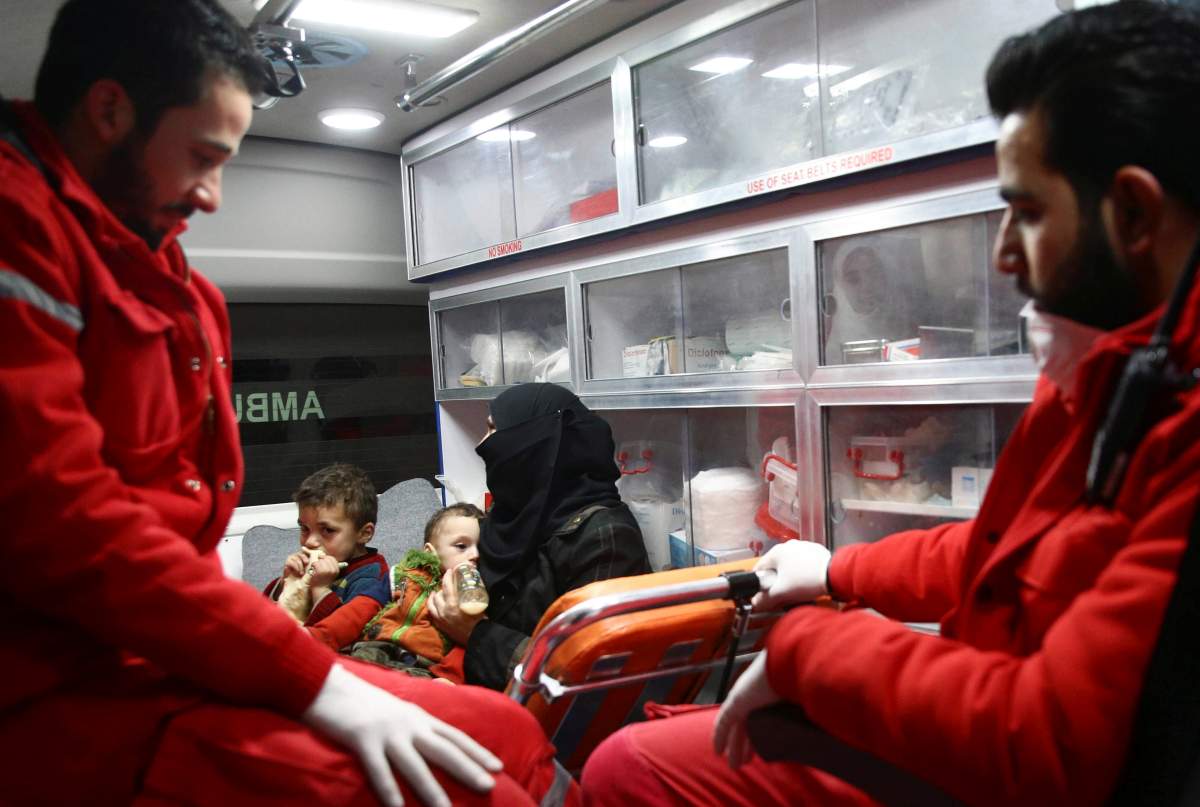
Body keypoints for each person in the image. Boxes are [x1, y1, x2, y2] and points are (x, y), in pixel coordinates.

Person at [581, 4, 1200, 806]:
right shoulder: (1109, 370)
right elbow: (998, 548)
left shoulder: (1177, 427)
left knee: (633, 770)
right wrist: (839, 568)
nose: (1004, 251)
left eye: (1031, 211)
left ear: (1136, 215)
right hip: (977, 723)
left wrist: (808, 649)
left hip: (1004, 766)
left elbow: (1050, 742)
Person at [0, 2, 576, 805]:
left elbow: (178, 529)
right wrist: (314, 681)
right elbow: (67, 523)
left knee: (510, 731)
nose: (212, 197)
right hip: (65, 681)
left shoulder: (177, 287)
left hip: (168, 650)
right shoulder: (19, 226)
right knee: (483, 789)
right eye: (204, 155)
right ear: (108, 110)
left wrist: (273, 652)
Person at [428, 383, 652, 690]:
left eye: (493, 430)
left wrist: (475, 634)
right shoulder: (512, 517)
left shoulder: (604, 538)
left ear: (530, 444)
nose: (482, 443)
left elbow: (585, 672)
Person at [311, 503, 486, 686]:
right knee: (348, 671)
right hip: (374, 648)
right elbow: (361, 608)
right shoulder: (404, 577)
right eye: (461, 546)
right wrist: (322, 636)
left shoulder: (472, 597)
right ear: (430, 552)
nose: (474, 555)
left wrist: (449, 677)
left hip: (421, 665)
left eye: (481, 548)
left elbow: (468, 643)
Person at [265, 463, 390, 625]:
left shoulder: (371, 580)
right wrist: (285, 585)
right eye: (304, 528)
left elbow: (342, 637)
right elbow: (265, 622)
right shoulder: (310, 567)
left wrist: (320, 590)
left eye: (327, 530)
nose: (310, 542)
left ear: (364, 533)